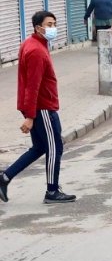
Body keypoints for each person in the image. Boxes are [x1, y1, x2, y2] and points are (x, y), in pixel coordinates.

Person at [0, 11, 76, 204]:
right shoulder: (36, 51)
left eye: (54, 24)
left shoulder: (33, 44)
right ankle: (52, 191)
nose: (53, 28)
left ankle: (4, 178)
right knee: (55, 147)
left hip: (38, 106)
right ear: (38, 28)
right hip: (42, 107)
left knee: (40, 147)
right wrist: (30, 116)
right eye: (49, 25)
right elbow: (32, 86)